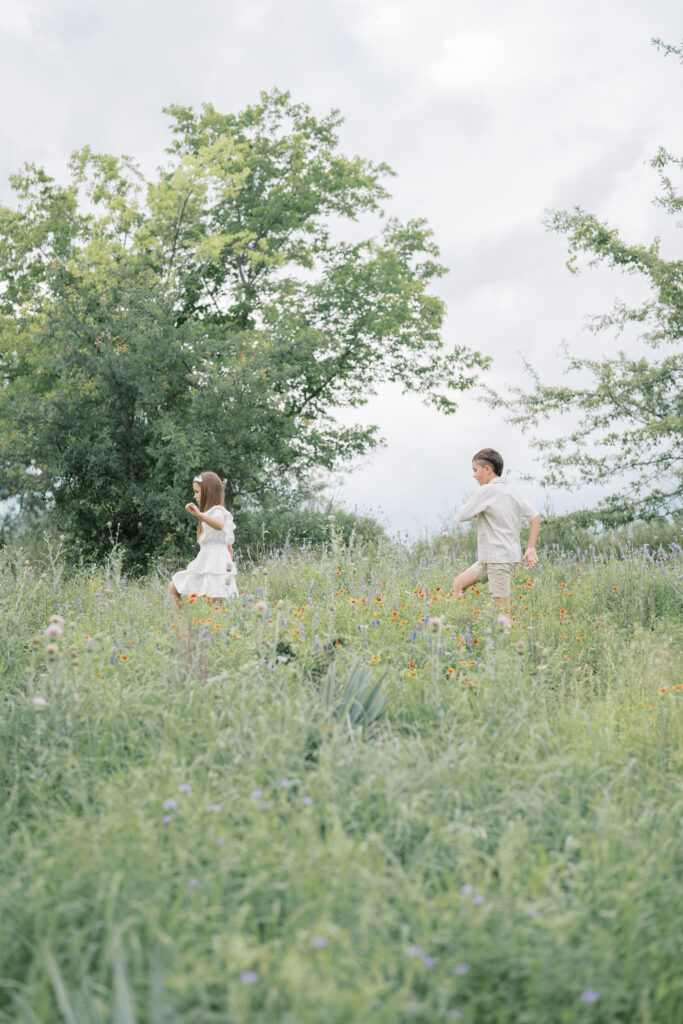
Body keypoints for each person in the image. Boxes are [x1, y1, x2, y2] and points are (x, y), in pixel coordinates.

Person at [452, 448, 541, 613]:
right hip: (492, 558)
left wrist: (477, 509)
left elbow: (462, 515)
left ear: (487, 469)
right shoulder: (511, 492)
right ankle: (461, 627)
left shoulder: (487, 490)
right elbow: (535, 517)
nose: (474, 475)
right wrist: (531, 547)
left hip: (498, 558)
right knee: (458, 584)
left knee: (502, 612)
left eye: (475, 470)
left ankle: (507, 637)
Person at [168, 472, 238, 611]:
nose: (195, 496)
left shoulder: (218, 511)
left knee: (213, 607)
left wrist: (199, 515)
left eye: (197, 492)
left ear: (208, 492)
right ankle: (181, 627)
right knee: (173, 586)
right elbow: (229, 547)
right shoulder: (208, 515)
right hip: (206, 563)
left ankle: (205, 630)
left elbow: (219, 525)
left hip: (216, 566)